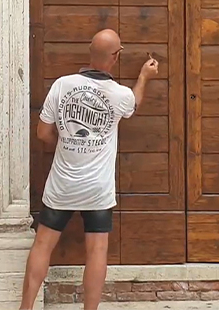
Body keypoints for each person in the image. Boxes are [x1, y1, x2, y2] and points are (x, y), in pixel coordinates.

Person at [19, 29, 159, 310]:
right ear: (116, 57)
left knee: (43, 245)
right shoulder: (119, 95)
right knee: (97, 250)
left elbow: (43, 133)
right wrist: (144, 76)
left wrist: (66, 142)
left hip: (62, 184)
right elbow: (134, 103)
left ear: (90, 52)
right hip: (98, 189)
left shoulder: (62, 85)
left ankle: (25, 308)